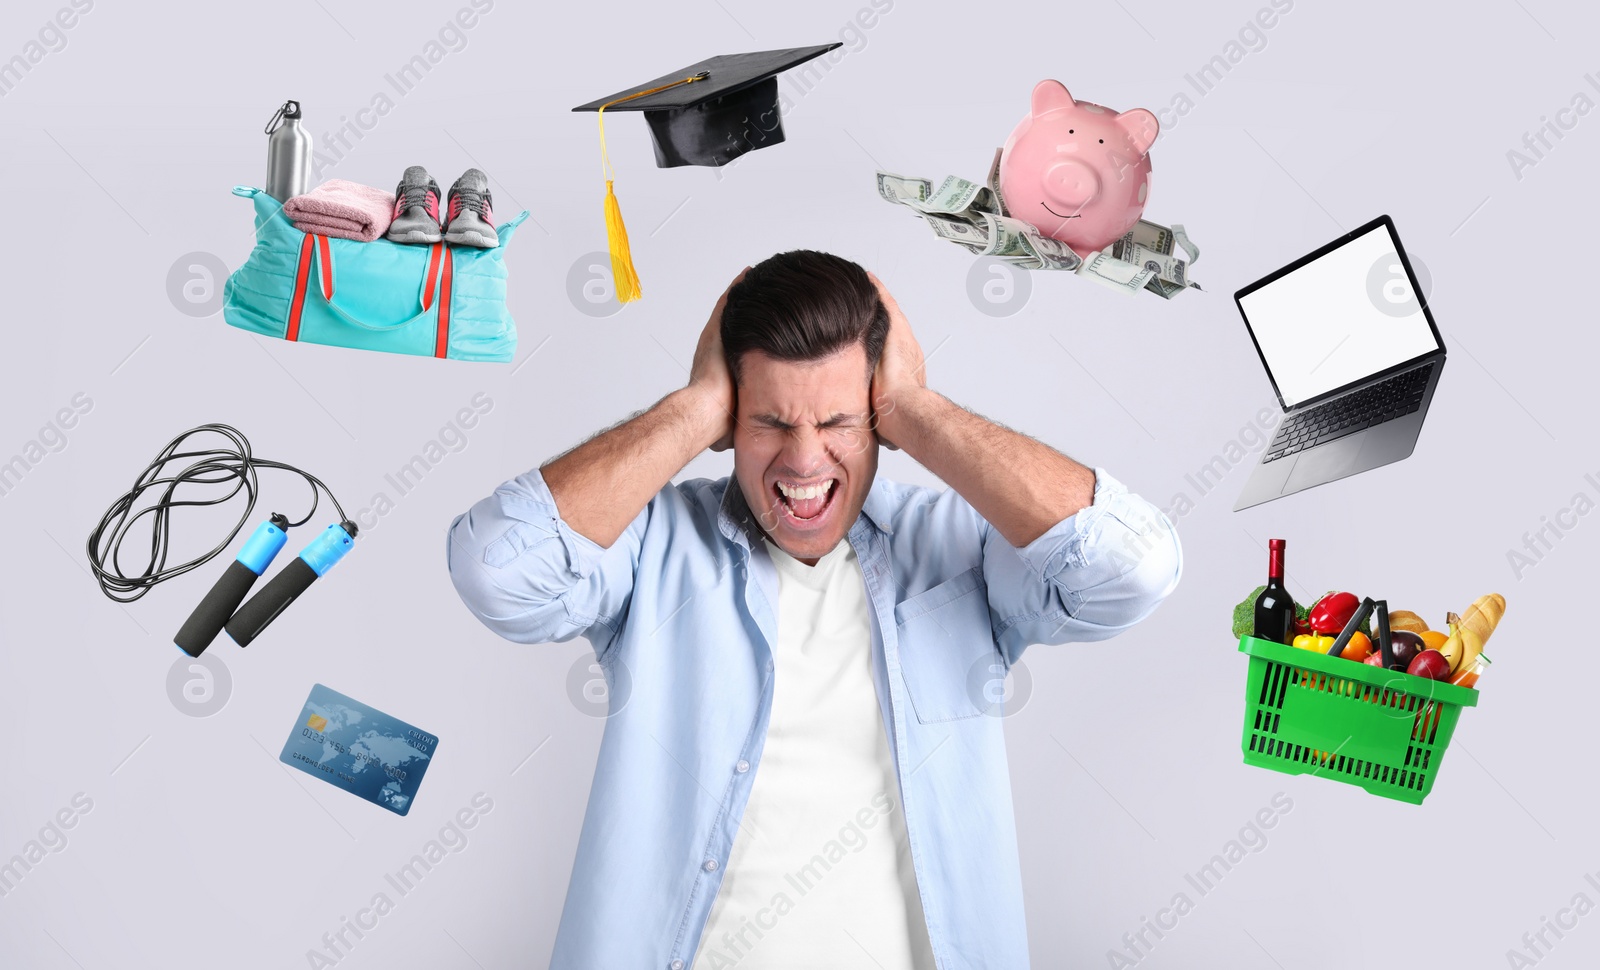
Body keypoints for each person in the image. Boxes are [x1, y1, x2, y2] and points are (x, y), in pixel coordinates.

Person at [447, 251, 1182, 969]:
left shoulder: (957, 548)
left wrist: (920, 411)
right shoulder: (654, 544)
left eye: (839, 422)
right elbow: (494, 570)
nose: (804, 461)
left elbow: (1136, 568)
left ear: (878, 416)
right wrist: (693, 406)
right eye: (769, 422)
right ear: (730, 418)